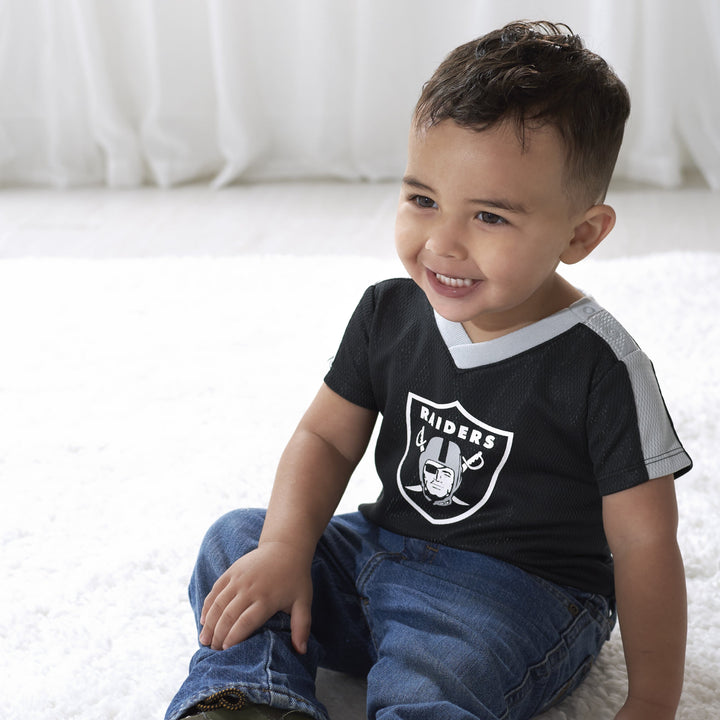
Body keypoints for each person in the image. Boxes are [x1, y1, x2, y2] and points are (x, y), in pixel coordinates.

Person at [165, 20, 692, 720]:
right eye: (423, 200)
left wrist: (651, 700)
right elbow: (325, 438)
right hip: (378, 550)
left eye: (490, 217)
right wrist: (287, 548)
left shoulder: (603, 367)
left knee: (429, 676)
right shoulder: (389, 311)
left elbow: (645, 543)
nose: (442, 243)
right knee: (239, 542)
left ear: (580, 234)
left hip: (514, 599)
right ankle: (254, 700)